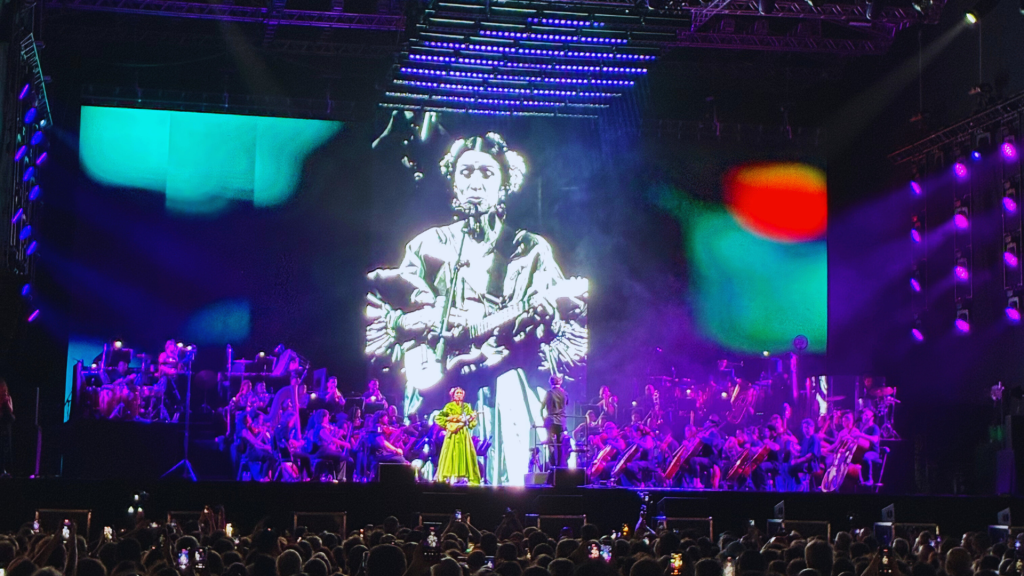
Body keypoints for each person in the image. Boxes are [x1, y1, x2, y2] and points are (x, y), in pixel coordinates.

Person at [365, 131, 588, 485]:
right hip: (441, 388)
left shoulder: (530, 249)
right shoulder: (427, 245)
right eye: (466, 172)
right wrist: (426, 321)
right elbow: (385, 313)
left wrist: (549, 321)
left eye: (487, 173)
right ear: (454, 182)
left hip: (506, 388)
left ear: (504, 185)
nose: (475, 182)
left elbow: (568, 336)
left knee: (507, 481)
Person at [434, 387, 480, 485]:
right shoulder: (449, 406)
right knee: (450, 453)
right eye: (457, 393)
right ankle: (447, 477)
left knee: (465, 454)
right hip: (453, 434)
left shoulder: (466, 406)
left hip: (463, 434)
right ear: (453, 395)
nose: (459, 395)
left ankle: (465, 478)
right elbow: (439, 418)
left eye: (461, 393)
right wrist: (450, 422)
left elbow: (470, 423)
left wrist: (472, 418)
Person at [542, 375, 568, 468]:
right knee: (560, 444)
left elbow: (542, 407)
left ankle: (552, 465)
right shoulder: (565, 393)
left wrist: (543, 419)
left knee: (550, 443)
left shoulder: (549, 393)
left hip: (552, 421)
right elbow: (566, 404)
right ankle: (560, 466)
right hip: (562, 421)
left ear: (550, 382)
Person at [0, 379, 13, 477]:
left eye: (5, 390)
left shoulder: (8, 398)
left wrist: (7, 402)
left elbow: (11, 411)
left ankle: (4, 469)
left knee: (6, 448)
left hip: (6, 425)